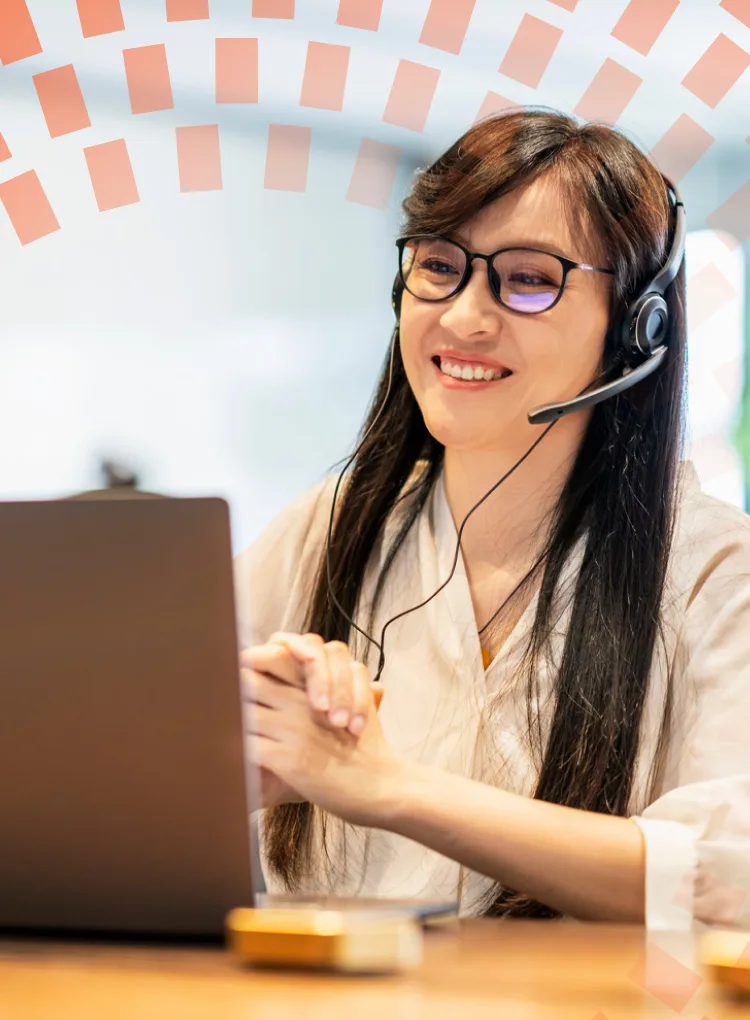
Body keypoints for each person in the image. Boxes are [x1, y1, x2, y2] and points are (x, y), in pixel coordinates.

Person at [233, 107, 750, 930]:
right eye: (439, 265)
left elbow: (729, 879)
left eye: (529, 277)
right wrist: (233, 756)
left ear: (635, 326)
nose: (465, 316)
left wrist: (388, 788)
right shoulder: (325, 531)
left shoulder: (715, 571)